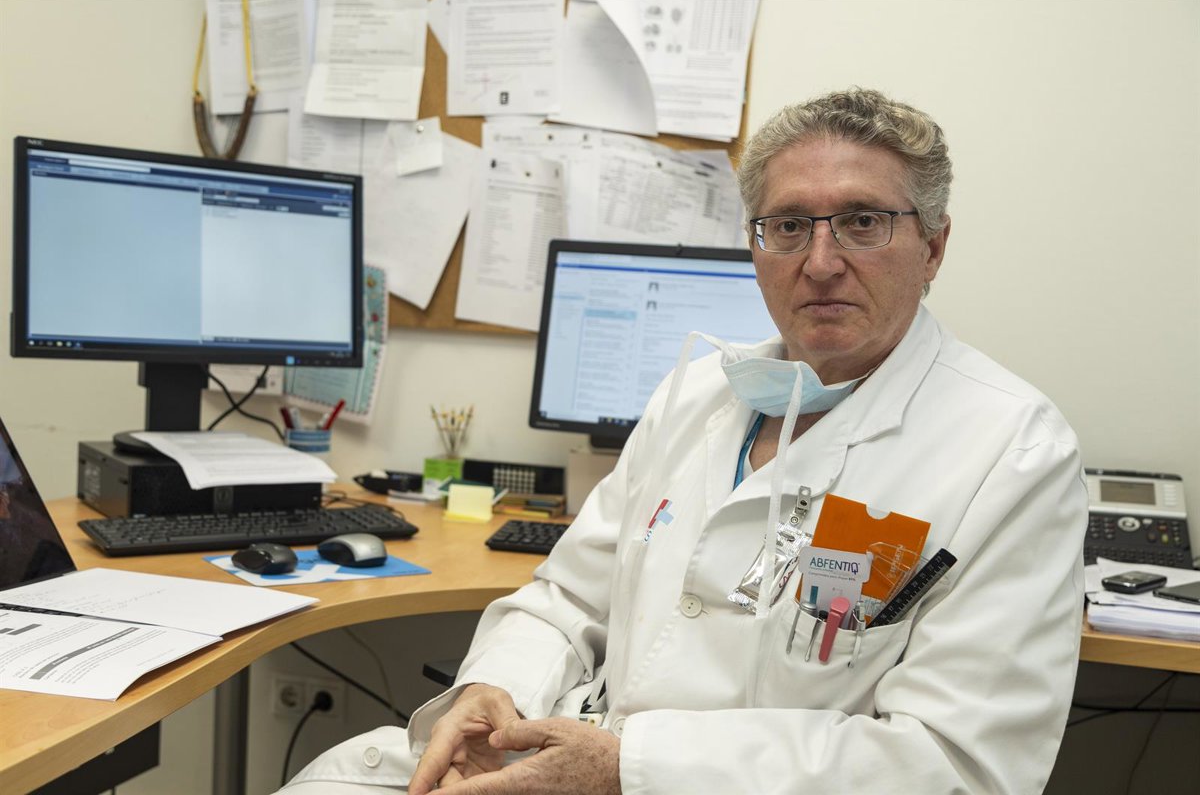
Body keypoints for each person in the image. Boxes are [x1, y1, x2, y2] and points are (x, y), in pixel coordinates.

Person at [279, 88, 1086, 794]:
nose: (820, 262)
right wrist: (495, 691)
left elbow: (958, 765)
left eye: (863, 223)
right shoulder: (696, 395)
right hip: (569, 757)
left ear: (934, 246)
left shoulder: (1011, 451)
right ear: (756, 245)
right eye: (788, 226)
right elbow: (569, 600)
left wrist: (629, 769)